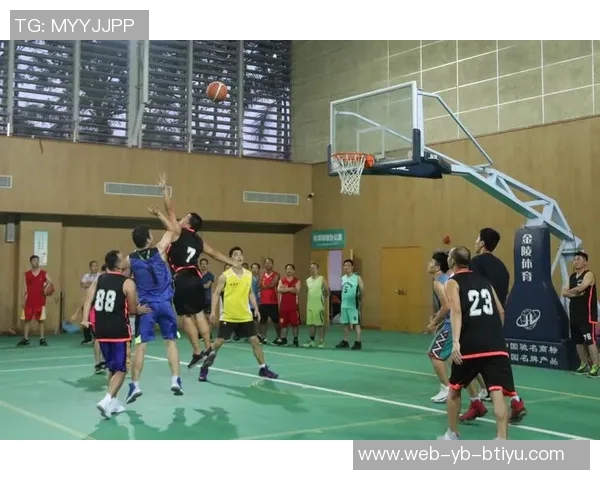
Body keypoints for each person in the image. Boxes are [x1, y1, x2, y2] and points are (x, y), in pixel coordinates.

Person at [156, 173, 235, 368]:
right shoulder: (199, 240)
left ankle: (198, 351)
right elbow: (215, 253)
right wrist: (233, 262)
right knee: (199, 314)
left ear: (188, 223)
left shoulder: (178, 231)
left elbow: (169, 209)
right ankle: (209, 347)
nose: (182, 218)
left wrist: (164, 190)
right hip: (196, 278)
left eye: (185, 217)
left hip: (181, 279)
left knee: (185, 317)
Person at [439, 246, 518, 440]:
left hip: (471, 344)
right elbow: (501, 311)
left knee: (455, 389)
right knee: (497, 391)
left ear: (452, 262)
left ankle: (452, 434)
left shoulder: (452, 282)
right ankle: (501, 439)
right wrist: (494, 334)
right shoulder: (484, 281)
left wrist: (455, 342)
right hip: (495, 344)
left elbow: (456, 311)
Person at [460, 228, 527, 423]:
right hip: (496, 321)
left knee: (462, 362)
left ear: (482, 243)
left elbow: (471, 291)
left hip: (477, 321)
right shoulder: (502, 268)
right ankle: (515, 401)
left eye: (477, 238)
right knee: (493, 365)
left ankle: (476, 403)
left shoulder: (474, 264)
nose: (475, 242)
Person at [81, 250, 149, 419]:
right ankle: (107, 399)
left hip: (101, 329)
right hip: (119, 331)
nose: (125, 258)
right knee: (122, 368)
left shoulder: (99, 278)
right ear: (118, 264)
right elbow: (132, 310)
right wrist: (140, 309)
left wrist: (85, 318)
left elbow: (88, 299)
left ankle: (113, 403)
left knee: (113, 368)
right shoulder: (127, 283)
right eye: (122, 257)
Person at [124, 222, 183, 404]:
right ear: (149, 239)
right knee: (170, 343)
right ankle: (175, 379)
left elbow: (125, 281)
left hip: (146, 307)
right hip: (165, 304)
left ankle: (135, 385)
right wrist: (164, 215)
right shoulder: (160, 249)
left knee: (140, 347)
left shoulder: (129, 259)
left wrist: (133, 306)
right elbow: (173, 229)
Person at [199, 246, 278, 381]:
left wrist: (256, 308)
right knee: (218, 343)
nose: (239, 256)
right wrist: (213, 311)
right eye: (235, 254)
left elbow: (250, 293)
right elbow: (216, 293)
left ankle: (263, 368)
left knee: (255, 341)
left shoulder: (248, 274)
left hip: (245, 316)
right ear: (230, 258)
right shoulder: (225, 276)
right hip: (228, 316)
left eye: (240, 254)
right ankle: (204, 368)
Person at [562, 251, 599, 377]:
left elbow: (582, 287)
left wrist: (572, 292)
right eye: (574, 259)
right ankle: (584, 364)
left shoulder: (589, 274)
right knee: (578, 341)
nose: (575, 261)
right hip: (574, 313)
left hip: (587, 314)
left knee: (590, 340)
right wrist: (576, 293)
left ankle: (595, 366)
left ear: (585, 262)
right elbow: (564, 292)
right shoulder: (572, 277)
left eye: (579, 259)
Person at [426, 252, 452, 403]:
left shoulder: (438, 282)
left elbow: (446, 305)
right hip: (457, 321)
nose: (428, 264)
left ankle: (446, 389)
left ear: (437, 266)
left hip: (452, 324)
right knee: (460, 358)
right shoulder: (447, 279)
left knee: (434, 354)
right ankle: (483, 388)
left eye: (431, 262)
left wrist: (434, 323)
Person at [17, 255, 55, 347]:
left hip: (40, 301)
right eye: (34, 260)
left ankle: (42, 339)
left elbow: (50, 284)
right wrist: (23, 300)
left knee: (41, 320)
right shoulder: (27, 274)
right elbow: (24, 288)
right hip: (29, 300)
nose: (36, 262)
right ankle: (25, 339)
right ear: (31, 262)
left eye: (37, 260)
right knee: (27, 320)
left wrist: (48, 287)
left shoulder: (44, 273)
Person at [335, 259, 364, 350]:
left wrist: (360, 298)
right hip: (344, 305)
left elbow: (362, 290)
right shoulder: (343, 278)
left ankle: (358, 342)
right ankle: (345, 341)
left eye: (348, 265)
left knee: (356, 323)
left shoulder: (357, 278)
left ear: (352, 267)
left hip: (353, 305)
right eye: (345, 265)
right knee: (345, 323)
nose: (346, 267)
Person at [274, 264, 301, 346]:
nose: (289, 271)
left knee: (295, 324)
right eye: (287, 269)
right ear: (285, 270)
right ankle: (283, 339)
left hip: (293, 307)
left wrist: (285, 289)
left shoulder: (297, 281)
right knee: (283, 324)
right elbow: (279, 289)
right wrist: (290, 289)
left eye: (291, 269)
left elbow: (296, 290)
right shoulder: (282, 280)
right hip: (283, 307)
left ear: (294, 271)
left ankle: (295, 339)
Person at [303, 262, 329, 348]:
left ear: (318, 269)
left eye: (314, 268)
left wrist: (322, 299)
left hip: (319, 305)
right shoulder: (307, 280)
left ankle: (321, 341)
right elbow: (307, 291)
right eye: (311, 268)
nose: (313, 270)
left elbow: (327, 291)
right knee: (311, 324)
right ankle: (312, 341)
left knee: (320, 324)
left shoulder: (322, 279)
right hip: (310, 305)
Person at [76, 260, 101, 345]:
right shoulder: (86, 276)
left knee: (95, 319)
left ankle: (96, 337)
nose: (95, 267)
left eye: (96, 265)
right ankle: (87, 338)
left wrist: (90, 283)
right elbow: (82, 284)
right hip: (87, 300)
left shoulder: (100, 276)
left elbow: (99, 285)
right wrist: (93, 284)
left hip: (97, 300)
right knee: (86, 318)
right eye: (93, 266)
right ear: (90, 267)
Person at [258, 258, 280, 344]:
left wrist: (263, 285)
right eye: (266, 263)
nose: (267, 264)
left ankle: (279, 337)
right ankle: (263, 337)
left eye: (269, 263)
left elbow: (272, 285)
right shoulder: (262, 275)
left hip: (273, 302)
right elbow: (259, 285)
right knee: (263, 321)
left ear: (272, 264)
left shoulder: (276, 275)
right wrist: (262, 283)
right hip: (263, 301)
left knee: (276, 321)